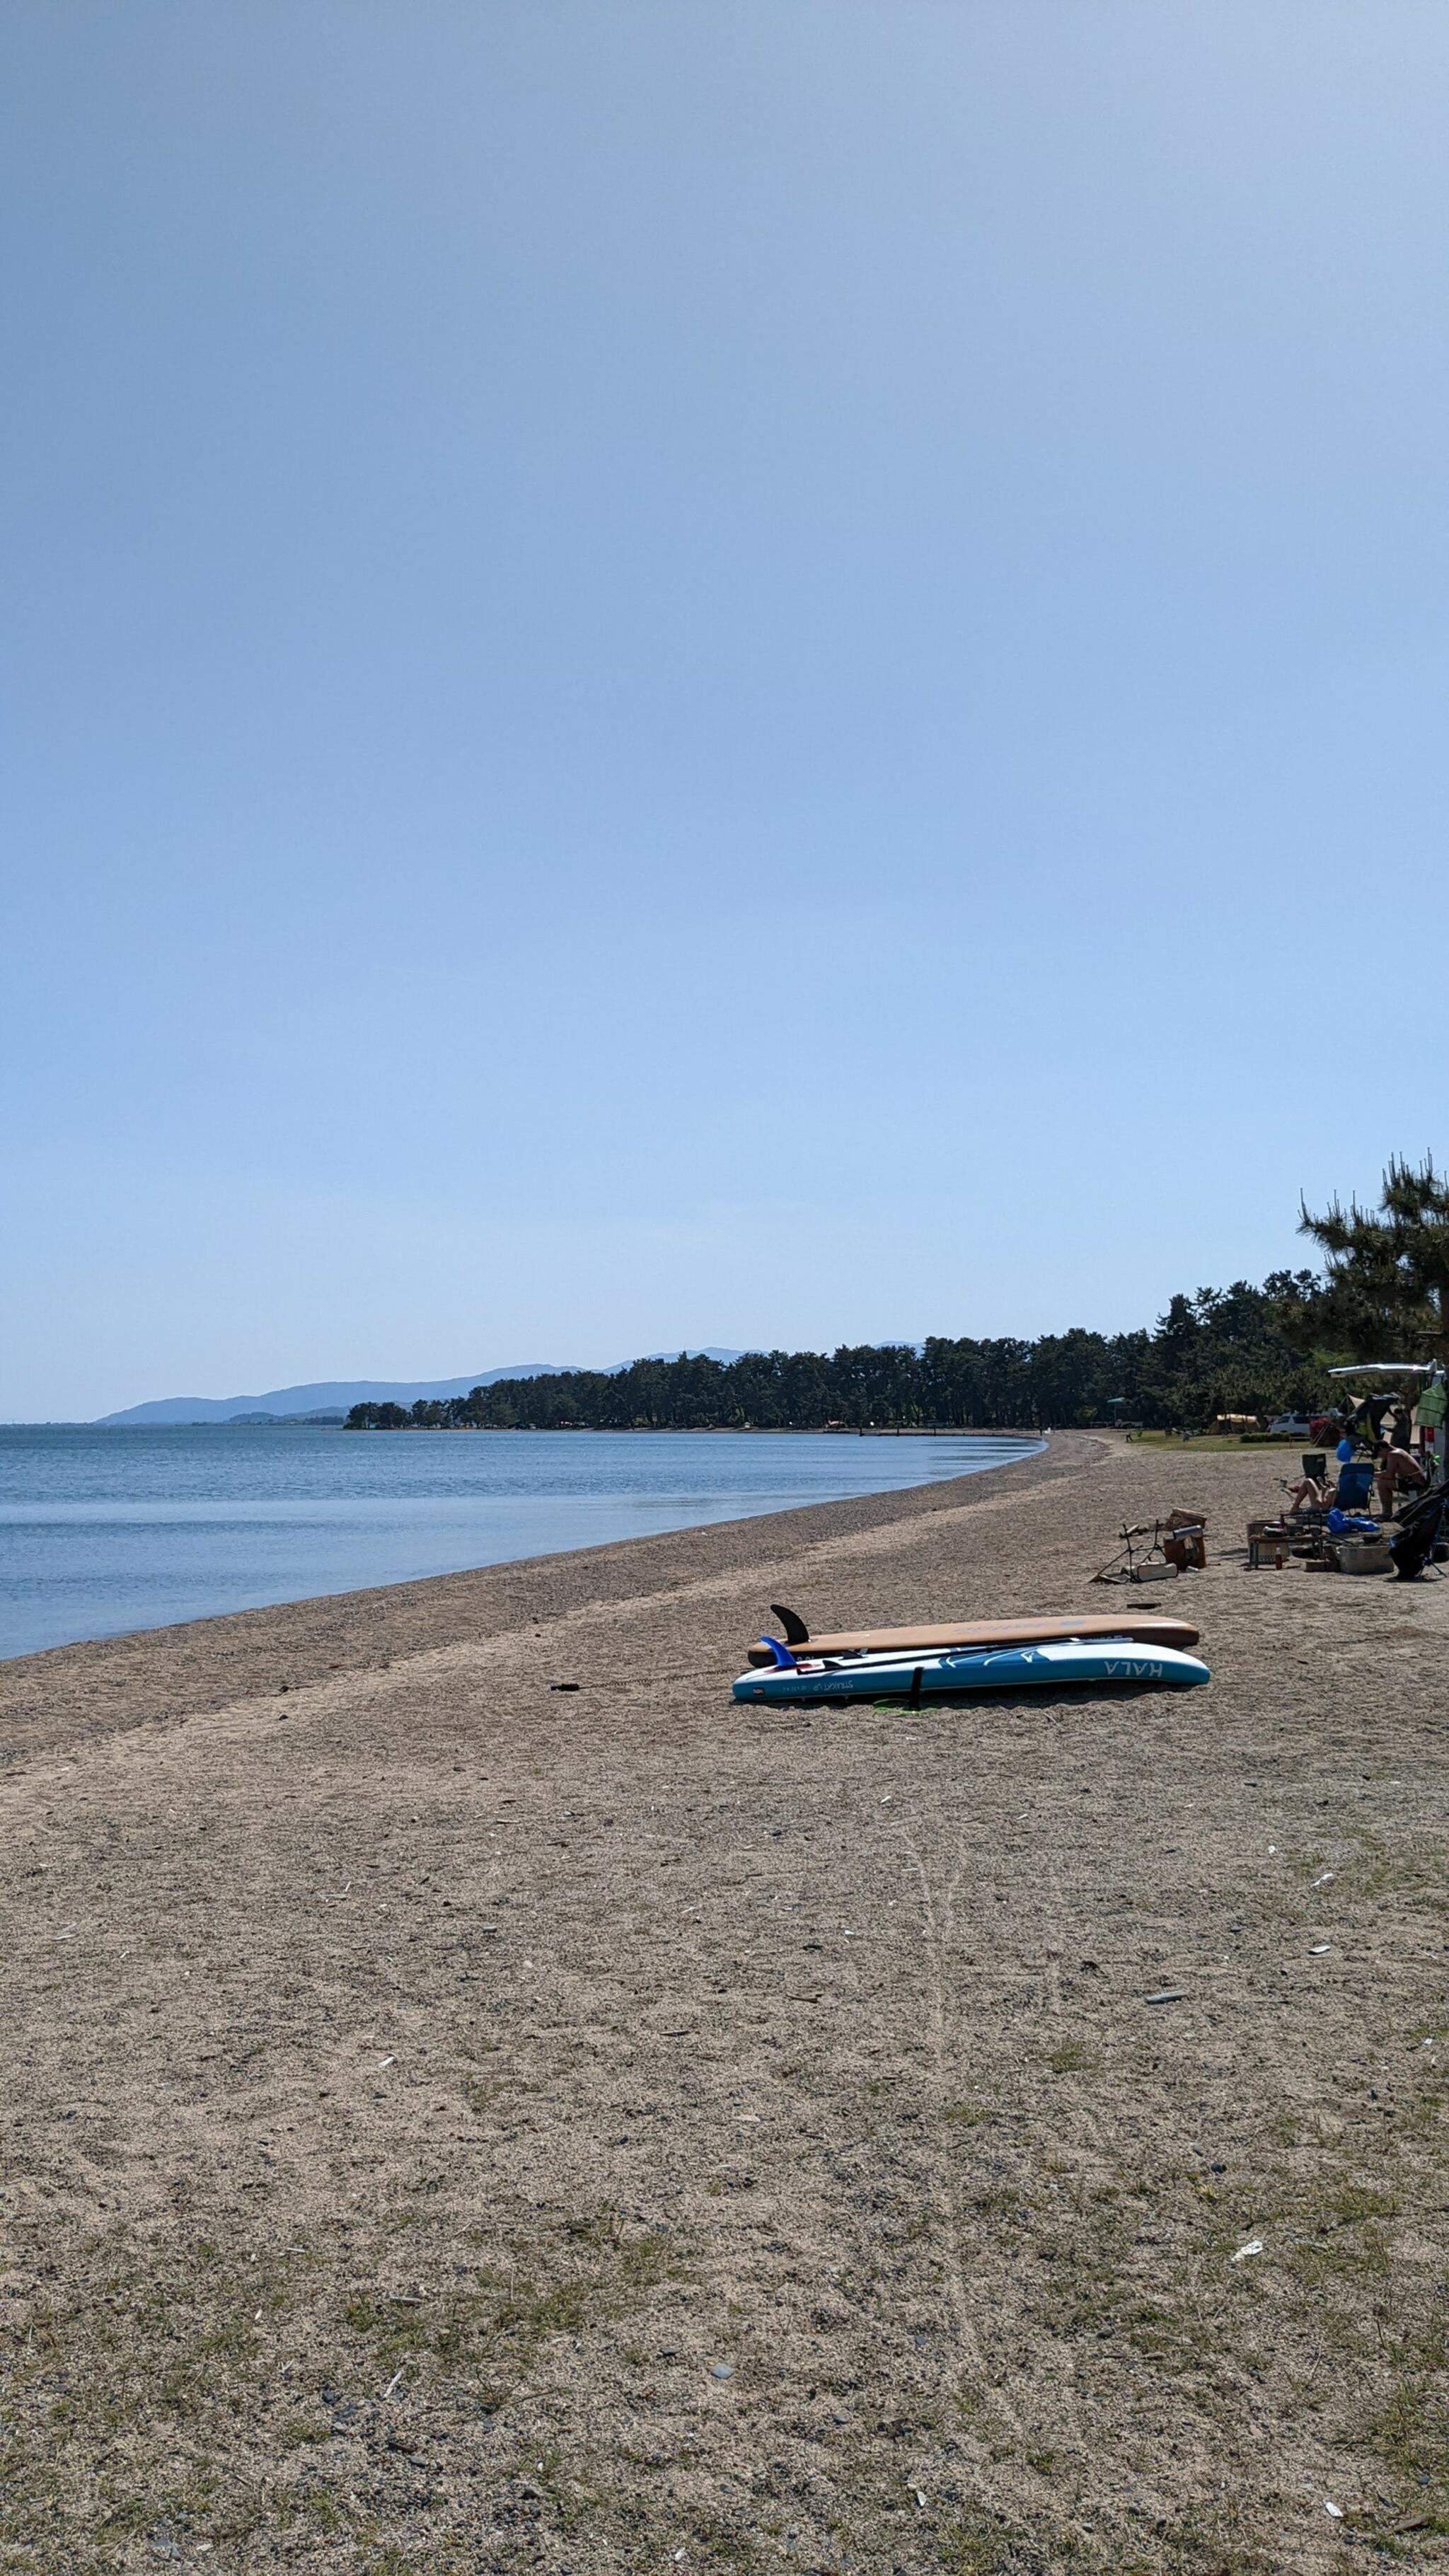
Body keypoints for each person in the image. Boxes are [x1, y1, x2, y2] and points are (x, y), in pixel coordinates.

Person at [1375, 1438, 1428, 1520]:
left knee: (1382, 1483)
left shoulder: (1393, 1454)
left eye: (1380, 1454)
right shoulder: (1399, 1451)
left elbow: (1389, 1475)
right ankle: (1387, 1512)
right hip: (1413, 1480)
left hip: (1414, 1483)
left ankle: (1387, 1514)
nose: (1382, 1457)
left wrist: (1374, 1475)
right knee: (1383, 1481)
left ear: (1382, 1449)